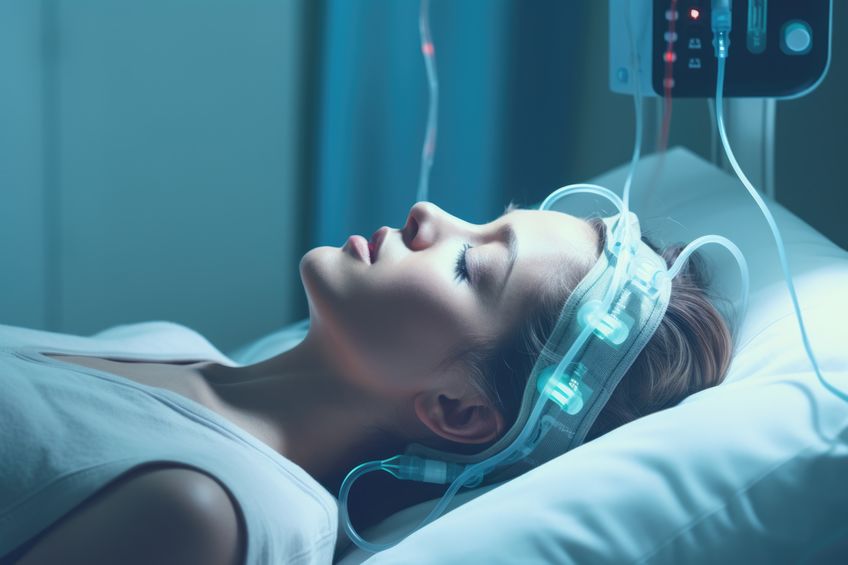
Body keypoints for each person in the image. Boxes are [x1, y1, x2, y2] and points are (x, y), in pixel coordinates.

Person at [0, 201, 732, 564]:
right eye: (481, 220)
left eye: (469, 264)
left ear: (457, 410)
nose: (427, 215)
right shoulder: (175, 346)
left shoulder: (203, 508)